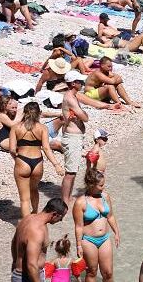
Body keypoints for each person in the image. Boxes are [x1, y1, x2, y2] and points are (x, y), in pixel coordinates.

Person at [9, 102, 65, 216]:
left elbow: (12, 149)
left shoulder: (15, 128)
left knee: (24, 199)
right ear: (39, 113)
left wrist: (16, 159)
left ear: (24, 113)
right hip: (37, 162)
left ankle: (27, 226)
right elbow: (46, 148)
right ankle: (34, 213)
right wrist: (56, 165)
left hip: (22, 161)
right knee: (34, 189)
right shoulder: (42, 128)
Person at [72, 168, 120, 281]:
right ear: (91, 184)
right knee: (92, 272)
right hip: (88, 241)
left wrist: (116, 232)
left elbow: (110, 216)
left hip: (105, 238)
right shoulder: (80, 202)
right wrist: (78, 245)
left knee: (108, 273)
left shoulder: (105, 196)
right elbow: (78, 226)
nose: (103, 187)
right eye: (101, 185)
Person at [11, 198, 68, 282]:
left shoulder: (26, 219)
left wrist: (15, 262)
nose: (60, 221)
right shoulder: (37, 231)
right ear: (54, 214)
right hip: (28, 277)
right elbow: (31, 265)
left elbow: (13, 243)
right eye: (61, 218)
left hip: (19, 274)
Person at [61, 70, 90, 205]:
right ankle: (65, 200)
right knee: (70, 172)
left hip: (75, 137)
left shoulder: (73, 95)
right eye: (80, 82)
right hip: (72, 137)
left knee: (73, 170)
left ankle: (68, 197)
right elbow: (85, 117)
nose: (82, 83)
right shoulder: (71, 98)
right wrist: (83, 114)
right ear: (73, 83)